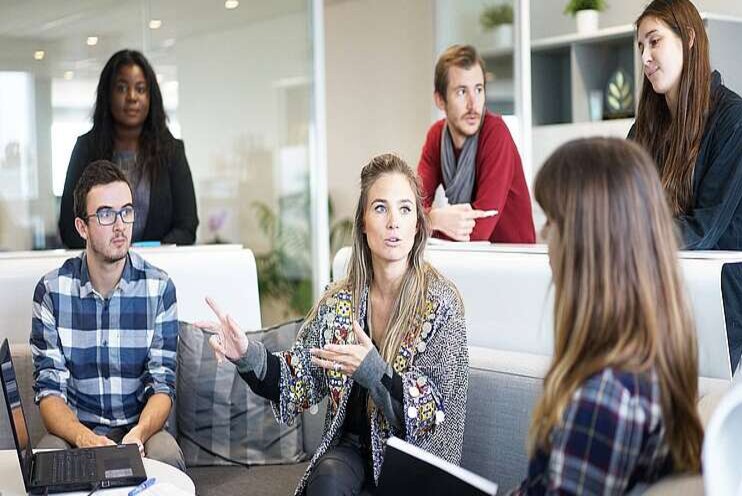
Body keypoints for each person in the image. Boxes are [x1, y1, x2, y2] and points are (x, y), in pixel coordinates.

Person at [199, 154, 468, 495]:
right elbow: (296, 378)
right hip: (353, 453)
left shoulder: (442, 304)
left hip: (413, 463)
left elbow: (432, 417)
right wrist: (245, 354)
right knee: (326, 480)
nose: (393, 223)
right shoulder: (340, 301)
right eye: (381, 208)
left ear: (417, 225)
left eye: (405, 209)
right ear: (363, 223)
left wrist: (373, 371)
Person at [512, 138, 703, 494]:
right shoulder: (648, 360)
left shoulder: (605, 397)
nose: (542, 234)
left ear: (588, 242)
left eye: (551, 220)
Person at [31, 161, 184, 470]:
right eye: (105, 214)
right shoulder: (51, 291)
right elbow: (49, 392)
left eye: (126, 211)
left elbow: (162, 386)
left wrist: (138, 434)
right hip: (77, 432)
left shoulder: (159, 288)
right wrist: (85, 439)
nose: (120, 225)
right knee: (45, 459)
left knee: (167, 457)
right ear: (81, 227)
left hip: (140, 430)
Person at [630, 0, 742, 370]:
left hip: (719, 297)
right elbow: (624, 206)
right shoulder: (645, 128)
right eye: (640, 47)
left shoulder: (732, 119)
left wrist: (629, 235)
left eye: (654, 41)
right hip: (659, 290)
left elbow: (704, 227)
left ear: (689, 39)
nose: (645, 57)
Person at [59, 49, 198, 249]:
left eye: (140, 89)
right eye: (122, 88)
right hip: (98, 272)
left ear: (151, 97)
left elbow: (187, 226)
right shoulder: (86, 149)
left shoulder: (172, 151)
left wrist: (146, 255)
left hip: (158, 269)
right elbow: (69, 227)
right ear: (108, 94)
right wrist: (111, 254)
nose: (132, 97)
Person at [417, 44, 535, 243]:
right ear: (440, 100)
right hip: (471, 260)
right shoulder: (436, 136)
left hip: (514, 261)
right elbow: (411, 208)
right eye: (462, 92)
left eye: (478, 90)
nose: (473, 104)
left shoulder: (496, 133)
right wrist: (432, 218)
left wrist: (428, 222)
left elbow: (478, 231)